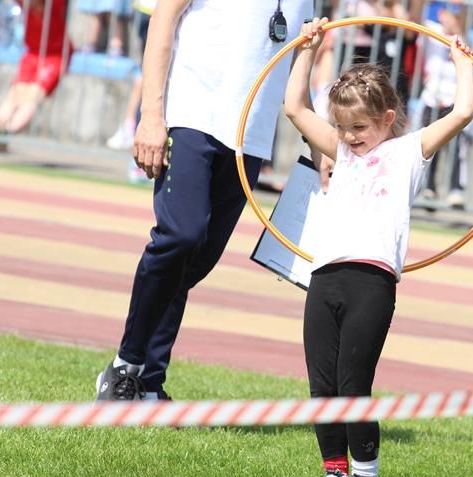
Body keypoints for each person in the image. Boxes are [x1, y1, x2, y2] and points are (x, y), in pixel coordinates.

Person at [284, 17, 473, 477]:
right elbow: (294, 108)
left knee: (353, 381)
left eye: (360, 127)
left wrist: (461, 63)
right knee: (322, 383)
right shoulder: (340, 151)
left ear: (388, 119)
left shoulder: (408, 152)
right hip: (325, 275)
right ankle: (334, 470)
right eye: (342, 127)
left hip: (371, 281)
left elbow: (462, 113)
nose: (349, 137)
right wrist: (308, 48)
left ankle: (367, 476)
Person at [95, 0, 313, 401]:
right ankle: (125, 367)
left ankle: (149, 384)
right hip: (191, 114)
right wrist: (151, 115)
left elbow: (296, 76)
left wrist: (320, 146)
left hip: (249, 138)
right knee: (181, 236)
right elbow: (163, 18)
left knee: (197, 260)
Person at [0, 0, 70, 142]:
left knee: (32, 96)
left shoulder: (53, 5)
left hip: (55, 55)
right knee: (15, 92)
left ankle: (7, 131)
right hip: (32, 53)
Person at [418, 1, 472, 210]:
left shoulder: (464, 38)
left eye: (457, 16)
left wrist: (458, 25)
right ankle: (428, 187)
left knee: (457, 147)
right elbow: (414, 20)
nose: (453, 20)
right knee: (428, 145)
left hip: (453, 102)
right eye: (450, 14)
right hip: (431, 99)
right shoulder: (432, 31)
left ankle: (456, 189)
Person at [106, 0, 157, 184]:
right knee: (152, 77)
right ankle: (140, 160)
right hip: (156, 11)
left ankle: (140, 159)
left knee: (149, 76)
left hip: (151, 10)